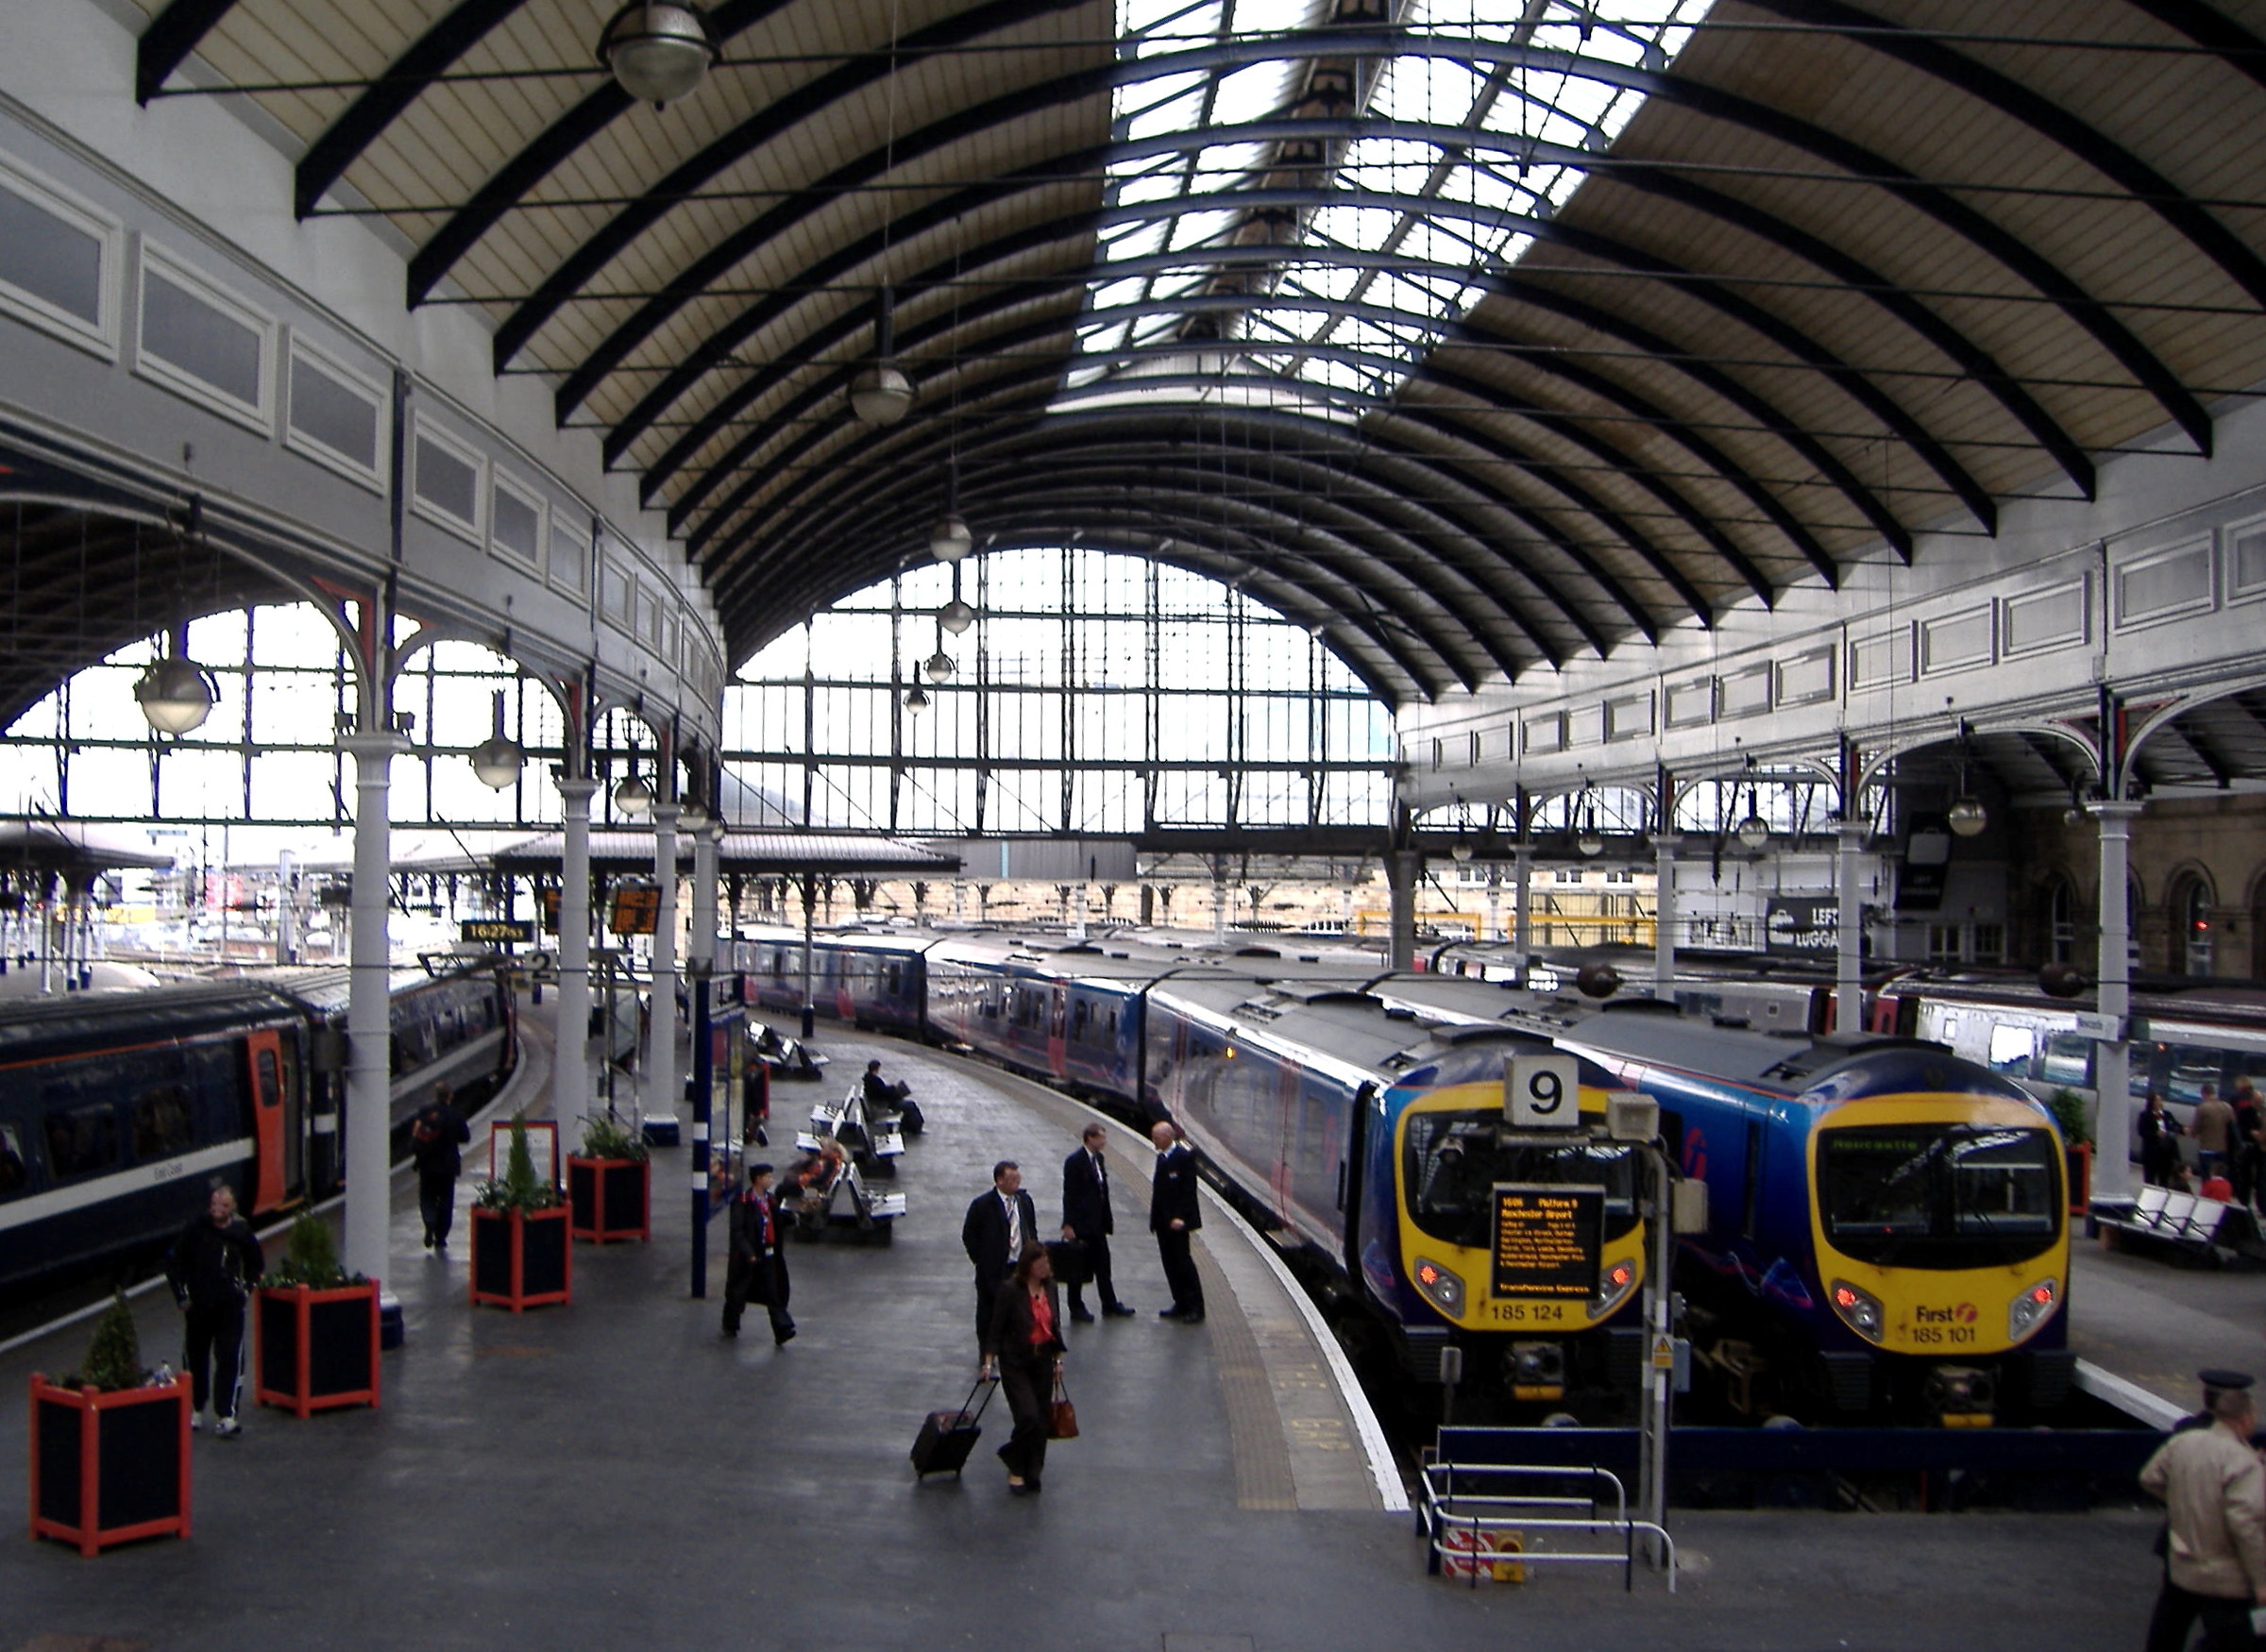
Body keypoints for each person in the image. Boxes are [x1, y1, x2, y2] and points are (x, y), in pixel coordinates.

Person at [2141, 1369, 2266, 1651]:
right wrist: (2261, 1581)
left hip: (2182, 1555)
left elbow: (2150, 1478)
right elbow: (2245, 1524)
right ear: (2245, 1417)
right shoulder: (2242, 1460)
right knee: (2231, 1637)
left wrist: (2182, 1502)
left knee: (2168, 1627)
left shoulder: (2183, 1438)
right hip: (2223, 1572)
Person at [163, 1183, 264, 1438]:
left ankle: (226, 1414)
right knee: (195, 1359)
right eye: (214, 1205)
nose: (217, 1210)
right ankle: (195, 1409)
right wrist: (182, 1297)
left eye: (223, 1206)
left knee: (229, 1357)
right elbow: (175, 1264)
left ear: (232, 1209)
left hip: (229, 1308)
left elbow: (256, 1264)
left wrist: (245, 1290)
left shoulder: (241, 1232)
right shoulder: (195, 1229)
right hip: (199, 1307)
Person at [980, 1245, 1065, 1495]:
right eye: (1041, 1265)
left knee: (1040, 1422)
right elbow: (995, 1329)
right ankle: (1016, 1466)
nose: (1046, 1269)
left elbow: (1055, 1326)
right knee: (1027, 1415)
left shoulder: (1051, 1288)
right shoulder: (1010, 1291)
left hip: (1043, 1360)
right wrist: (987, 1363)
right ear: (1028, 1267)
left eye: (1047, 1264)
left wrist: (1058, 1361)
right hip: (1016, 1361)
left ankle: (1033, 1469)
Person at [962, 1160, 1039, 1350]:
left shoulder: (1025, 1201)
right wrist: (981, 1260)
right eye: (1011, 1178)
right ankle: (987, 1351)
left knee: (1020, 1310)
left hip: (1019, 1266)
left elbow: (1030, 1229)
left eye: (1017, 1177)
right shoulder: (982, 1205)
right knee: (989, 1311)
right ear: (999, 1181)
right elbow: (969, 1235)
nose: (1016, 1182)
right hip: (994, 1269)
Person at [1060, 1123, 1131, 1323]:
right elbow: (1070, 1194)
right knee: (1078, 1267)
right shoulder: (1075, 1162)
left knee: (1103, 1265)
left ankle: (1109, 1303)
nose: (1104, 1141)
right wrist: (1068, 1224)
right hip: (1081, 1224)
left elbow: (1103, 1192)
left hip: (1098, 1224)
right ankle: (1076, 1306)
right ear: (1089, 1138)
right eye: (1101, 1137)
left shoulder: (1099, 1159)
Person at [722, 1162, 796, 1345]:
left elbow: (776, 1221)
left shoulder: (769, 1201)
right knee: (739, 1290)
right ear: (758, 1179)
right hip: (749, 1257)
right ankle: (730, 1322)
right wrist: (749, 1253)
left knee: (773, 1291)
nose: (771, 1180)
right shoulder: (743, 1202)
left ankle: (782, 1328)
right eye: (768, 1177)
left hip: (768, 1253)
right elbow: (738, 1231)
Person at [1150, 1120, 1204, 1324]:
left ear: (1166, 1137)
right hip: (1163, 1222)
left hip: (1178, 1223)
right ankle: (1180, 1302)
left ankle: (1195, 1307)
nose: (1153, 1140)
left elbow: (1188, 1191)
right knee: (1170, 1264)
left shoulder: (1184, 1157)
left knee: (1183, 1263)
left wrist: (1181, 1217)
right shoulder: (1162, 1157)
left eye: (1156, 1137)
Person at [409, 1082, 471, 1251]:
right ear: (450, 1096)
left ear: (435, 1095)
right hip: (448, 1165)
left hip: (427, 1163)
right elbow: (466, 1137)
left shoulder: (425, 1112)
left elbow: (417, 1134)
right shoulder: (456, 1113)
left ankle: (429, 1222)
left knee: (427, 1196)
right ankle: (441, 1237)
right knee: (446, 1200)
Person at [2193, 1084, 2237, 1183]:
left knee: (2207, 1178)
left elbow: (2195, 1130)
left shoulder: (2202, 1108)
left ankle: (2207, 1197)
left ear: (2203, 1094)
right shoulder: (2227, 1107)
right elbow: (2233, 1127)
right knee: (2220, 1178)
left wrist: (2189, 1131)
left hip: (2206, 1149)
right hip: (2223, 1149)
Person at [2233, 1078, 2264, 1209]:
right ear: (2252, 1101)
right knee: (2245, 1175)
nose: (2259, 1104)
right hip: (2248, 1146)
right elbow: (2239, 1127)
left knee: (2262, 1177)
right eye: (2257, 1101)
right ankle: (2243, 1202)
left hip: (2262, 1148)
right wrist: (2250, 1132)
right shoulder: (2244, 1112)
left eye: (2261, 1101)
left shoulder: (2263, 1112)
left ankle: (2262, 1204)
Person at [2139, 1092, 2180, 1189]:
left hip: (2166, 1153)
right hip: (2152, 1152)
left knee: (2164, 1180)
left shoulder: (2167, 1114)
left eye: (2160, 1100)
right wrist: (2155, 1134)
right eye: (2157, 1100)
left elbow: (2175, 1125)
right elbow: (2142, 1131)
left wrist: (2182, 1129)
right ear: (2152, 1102)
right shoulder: (2145, 1115)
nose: (2160, 1102)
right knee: (2150, 1179)